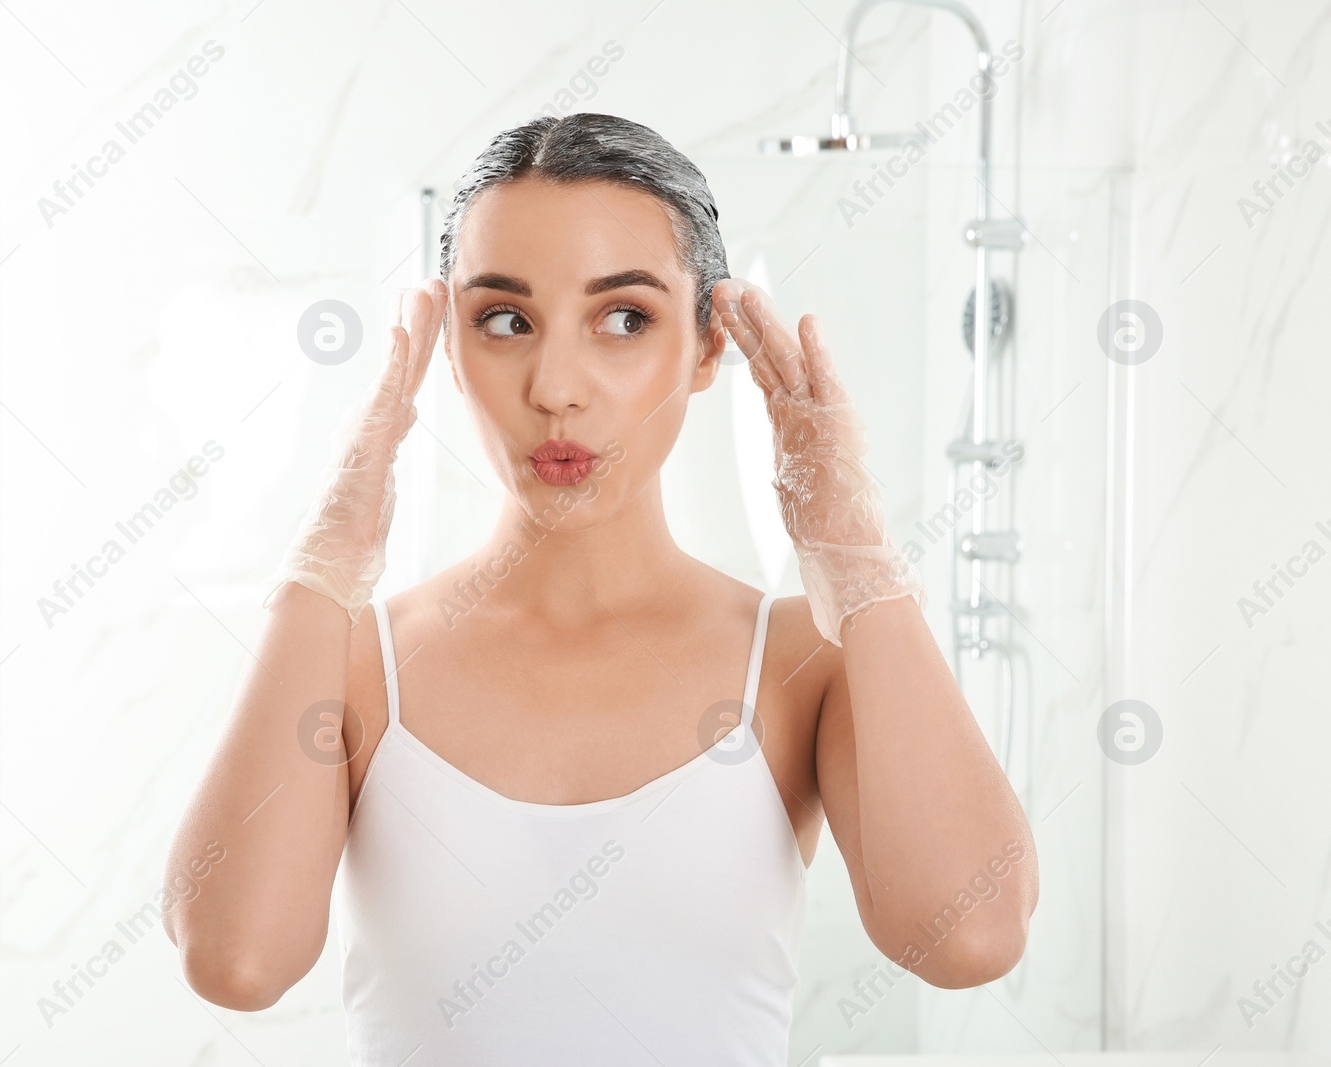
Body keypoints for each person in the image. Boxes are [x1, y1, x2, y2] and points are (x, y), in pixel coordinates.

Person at [163, 112, 1037, 1064]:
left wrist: (857, 556)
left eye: (624, 318)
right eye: (506, 319)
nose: (557, 386)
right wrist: (322, 567)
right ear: (448, 349)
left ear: (708, 348)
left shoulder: (799, 663)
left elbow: (969, 936)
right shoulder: (356, 661)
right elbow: (235, 962)